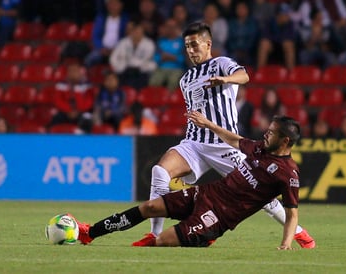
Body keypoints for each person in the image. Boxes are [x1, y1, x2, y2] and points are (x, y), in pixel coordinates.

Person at [132, 22, 315, 248]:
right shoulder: (185, 80)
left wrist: (226, 80)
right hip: (195, 143)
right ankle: (154, 234)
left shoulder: (222, 64)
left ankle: (299, 233)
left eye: (195, 45)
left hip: (225, 145)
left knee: (262, 196)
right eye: (187, 46)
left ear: (208, 44)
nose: (190, 50)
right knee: (159, 172)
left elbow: (244, 75)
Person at [73, 115, 303, 249]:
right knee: (150, 207)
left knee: (162, 241)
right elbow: (237, 140)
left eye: (271, 133)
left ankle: (205, 237)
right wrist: (210, 125)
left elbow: (292, 213)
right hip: (206, 193)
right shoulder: (260, 148)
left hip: (219, 217)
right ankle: (90, 233)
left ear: (285, 140)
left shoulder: (288, 173)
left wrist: (286, 243)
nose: (266, 134)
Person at [109, 21, 156, 89]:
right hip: (124, 71)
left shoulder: (149, 44)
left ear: (142, 32)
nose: (137, 33)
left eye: (139, 31)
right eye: (135, 31)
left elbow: (150, 60)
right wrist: (118, 67)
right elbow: (113, 58)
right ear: (131, 32)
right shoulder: (123, 42)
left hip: (141, 72)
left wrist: (140, 66)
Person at [49, 63, 95, 133]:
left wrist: (78, 110)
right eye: (71, 71)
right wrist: (69, 110)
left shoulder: (87, 85)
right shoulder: (61, 84)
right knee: (55, 119)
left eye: (75, 71)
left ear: (80, 72)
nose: (73, 73)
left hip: (81, 112)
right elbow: (58, 101)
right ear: (67, 73)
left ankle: (86, 141)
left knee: (88, 120)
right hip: (65, 112)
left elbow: (89, 102)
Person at [84, 0, 128, 67]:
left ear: (120, 5)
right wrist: (101, 48)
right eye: (111, 4)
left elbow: (126, 37)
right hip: (102, 50)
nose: (113, 6)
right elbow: (95, 36)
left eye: (115, 4)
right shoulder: (101, 18)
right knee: (89, 59)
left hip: (118, 50)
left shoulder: (125, 20)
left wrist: (117, 49)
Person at [148, 18, 185, 92]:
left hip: (176, 69)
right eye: (168, 27)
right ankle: (155, 102)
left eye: (173, 27)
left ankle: (169, 102)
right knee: (153, 82)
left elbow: (184, 58)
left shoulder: (182, 42)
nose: (170, 29)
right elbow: (156, 57)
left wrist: (173, 57)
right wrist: (161, 57)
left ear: (177, 28)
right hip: (162, 68)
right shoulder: (161, 41)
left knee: (173, 82)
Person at [256, 3, 296, 69]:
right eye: (284, 14)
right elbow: (265, 36)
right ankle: (260, 72)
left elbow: (290, 38)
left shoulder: (290, 24)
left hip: (283, 49)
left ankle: (291, 73)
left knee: (288, 44)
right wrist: (277, 39)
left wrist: (277, 38)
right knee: (264, 43)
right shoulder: (269, 22)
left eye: (287, 14)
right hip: (272, 49)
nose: (287, 16)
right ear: (278, 15)